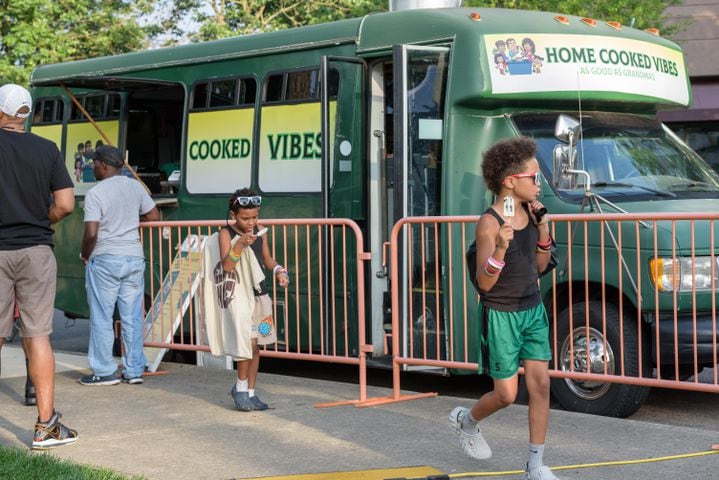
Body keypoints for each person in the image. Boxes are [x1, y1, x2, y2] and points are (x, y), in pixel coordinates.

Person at [449, 137, 557, 480]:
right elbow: (485, 283)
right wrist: (499, 248)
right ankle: (466, 421)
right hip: (501, 313)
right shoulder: (490, 223)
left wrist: (543, 230)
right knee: (507, 395)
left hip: (532, 308)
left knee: (540, 385)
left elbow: (540, 267)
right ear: (511, 181)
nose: (539, 184)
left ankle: (535, 466)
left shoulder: (532, 212)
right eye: (534, 177)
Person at [0, 83, 78, 449]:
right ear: (25, 114)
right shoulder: (46, 149)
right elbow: (65, 204)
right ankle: (46, 426)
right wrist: (40, 219)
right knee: (38, 335)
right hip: (36, 250)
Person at [80, 145, 159, 386]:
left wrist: (85, 254)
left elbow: (92, 232)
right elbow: (154, 217)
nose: (92, 167)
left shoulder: (96, 193)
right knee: (133, 315)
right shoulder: (135, 187)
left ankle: (104, 372)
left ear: (104, 166)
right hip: (134, 257)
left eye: (94, 163)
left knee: (102, 316)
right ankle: (134, 369)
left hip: (105, 258)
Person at [218, 188, 289, 411]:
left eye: (255, 217)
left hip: (259, 293)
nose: (251, 222)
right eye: (245, 218)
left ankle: (250, 392)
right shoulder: (225, 234)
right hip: (239, 295)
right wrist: (240, 243)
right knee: (247, 344)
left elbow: (267, 259)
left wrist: (280, 270)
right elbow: (227, 265)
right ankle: (239, 388)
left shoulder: (260, 231)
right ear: (233, 215)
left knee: (257, 345)